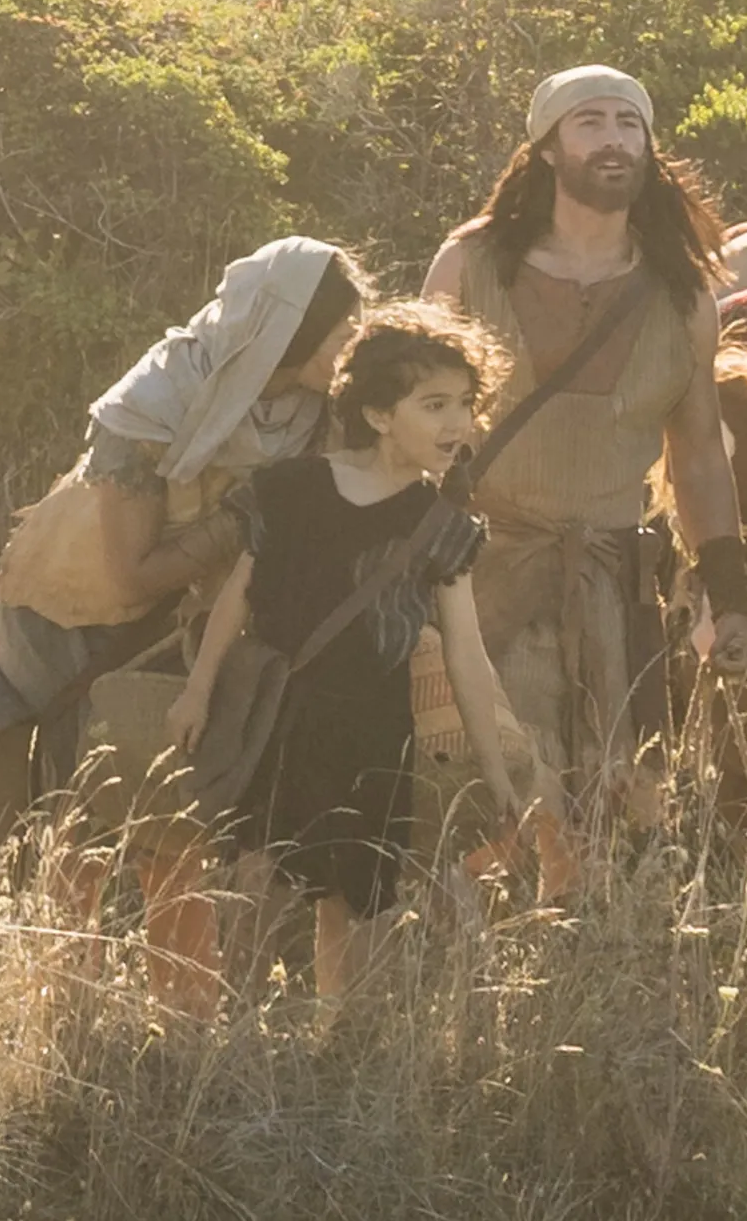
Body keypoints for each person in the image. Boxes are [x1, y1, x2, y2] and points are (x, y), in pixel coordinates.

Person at [0, 236, 368, 1006]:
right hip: (79, 620)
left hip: (200, 626)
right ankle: (60, 1008)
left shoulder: (315, 409)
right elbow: (131, 572)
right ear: (291, 327)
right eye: (341, 330)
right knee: (79, 824)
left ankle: (183, 1022)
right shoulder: (154, 403)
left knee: (173, 830)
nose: (352, 346)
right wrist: (253, 520)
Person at [165, 302, 545, 1005]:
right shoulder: (292, 490)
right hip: (279, 719)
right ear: (377, 415)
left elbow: (465, 654)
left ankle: (341, 1049)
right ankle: (239, 1049)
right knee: (257, 887)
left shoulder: (442, 523)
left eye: (465, 404)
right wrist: (197, 690)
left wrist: (496, 778)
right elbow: (238, 598)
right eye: (433, 406)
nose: (457, 424)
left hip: (375, 729)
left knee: (359, 895)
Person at [419, 65, 747, 852]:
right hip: (481, 575)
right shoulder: (469, 268)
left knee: (611, 807)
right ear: (546, 149)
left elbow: (698, 455)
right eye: (590, 122)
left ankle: (582, 948)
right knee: (484, 797)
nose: (614, 139)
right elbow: (408, 429)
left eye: (629, 124)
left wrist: (729, 595)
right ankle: (474, 957)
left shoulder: (683, 297)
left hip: (613, 587)